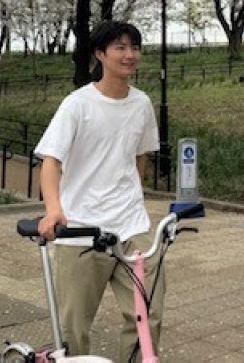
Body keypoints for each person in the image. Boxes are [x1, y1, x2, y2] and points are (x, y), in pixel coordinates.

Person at [34, 21, 163, 360]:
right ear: (100, 54)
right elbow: (51, 161)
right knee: (73, 326)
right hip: (80, 230)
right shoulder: (77, 105)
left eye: (134, 47)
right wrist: (54, 209)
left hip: (131, 228)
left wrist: (133, 196)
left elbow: (139, 157)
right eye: (120, 47)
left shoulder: (142, 104)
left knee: (146, 315)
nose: (129, 55)